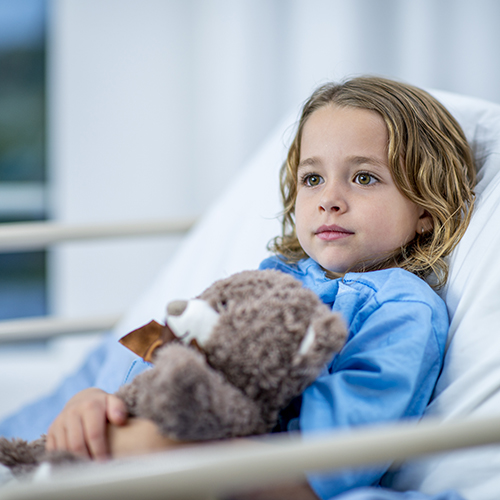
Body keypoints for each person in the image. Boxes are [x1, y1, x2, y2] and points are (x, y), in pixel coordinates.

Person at [15, 76, 479, 499]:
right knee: (95, 433)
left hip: (264, 470)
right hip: (175, 425)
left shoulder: (402, 304)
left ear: (426, 208)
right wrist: (103, 400)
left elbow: (350, 434)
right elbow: (167, 341)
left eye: (364, 177)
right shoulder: (271, 274)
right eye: (312, 179)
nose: (329, 201)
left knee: (130, 453)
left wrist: (228, 464)